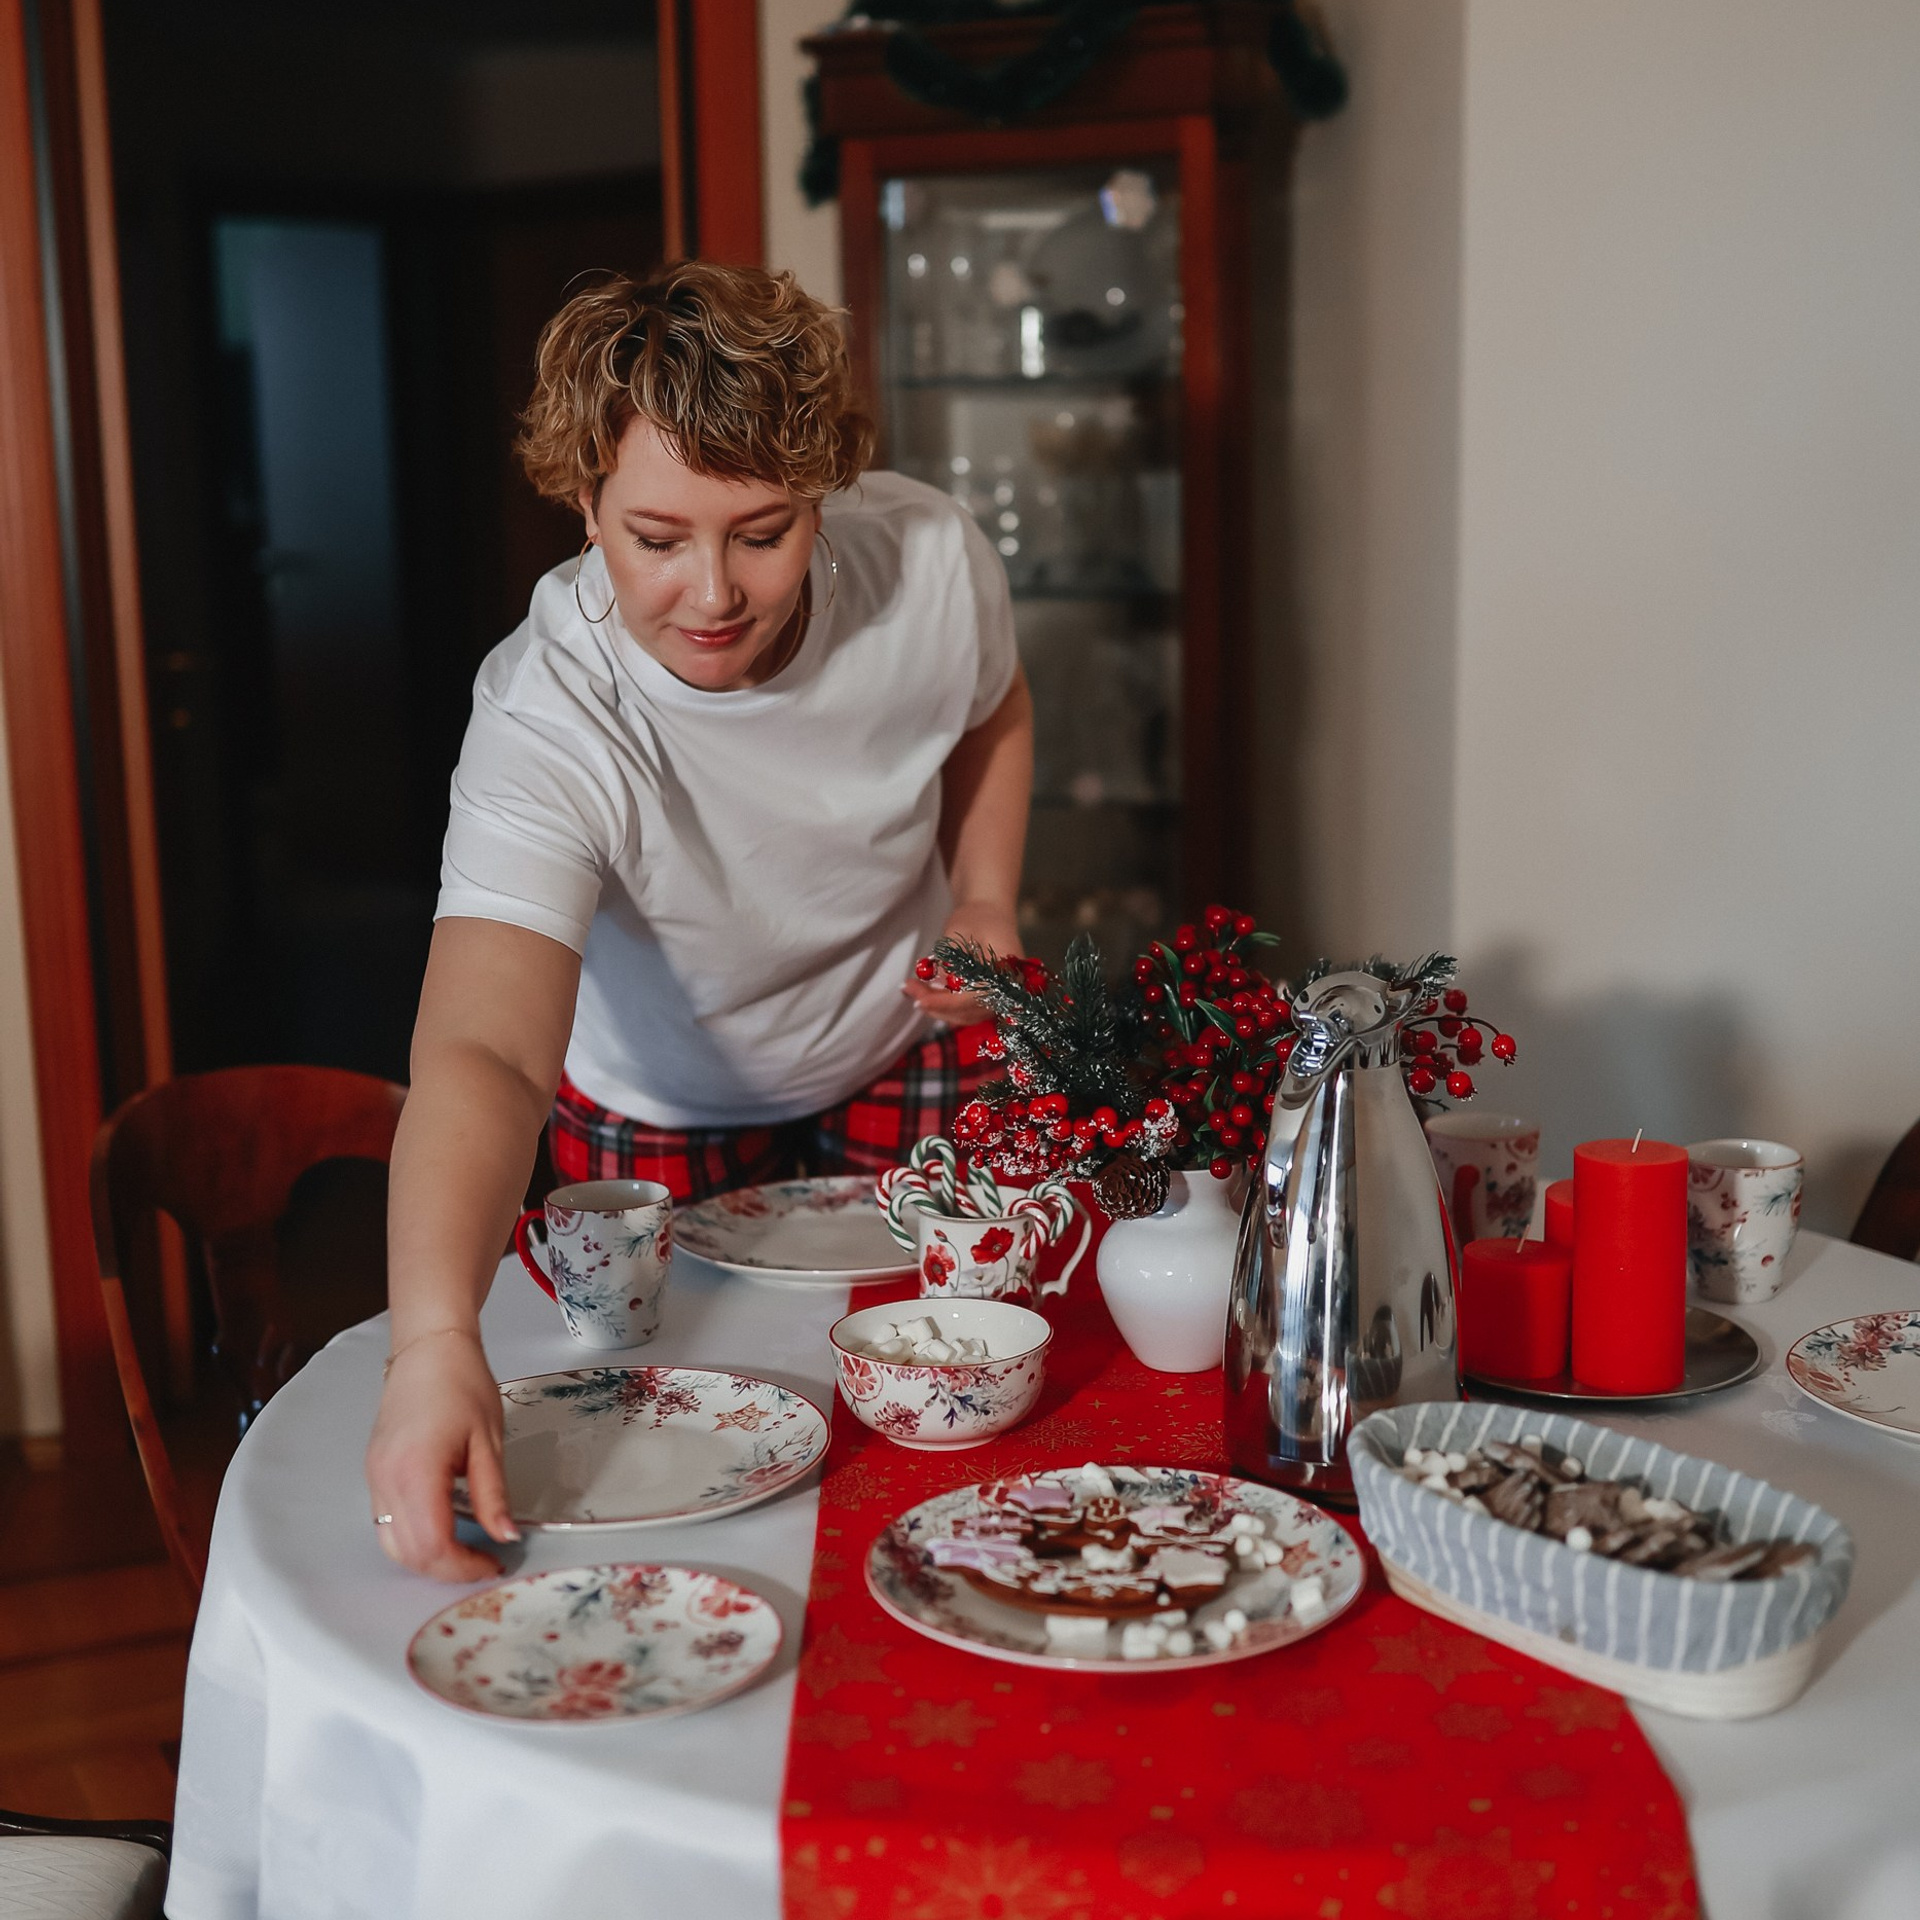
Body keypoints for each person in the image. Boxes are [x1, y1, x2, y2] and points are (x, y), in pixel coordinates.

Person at [364, 262, 1033, 1580]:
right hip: (652, 1099)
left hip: (899, 1041)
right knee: (676, 1444)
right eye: (658, 539)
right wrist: (434, 1345)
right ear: (583, 506)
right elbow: (488, 1054)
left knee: (939, 1424)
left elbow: (992, 710)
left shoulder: (932, 563)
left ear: (821, 493)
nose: (715, 594)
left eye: (763, 531)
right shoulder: (545, 715)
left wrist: (988, 896)